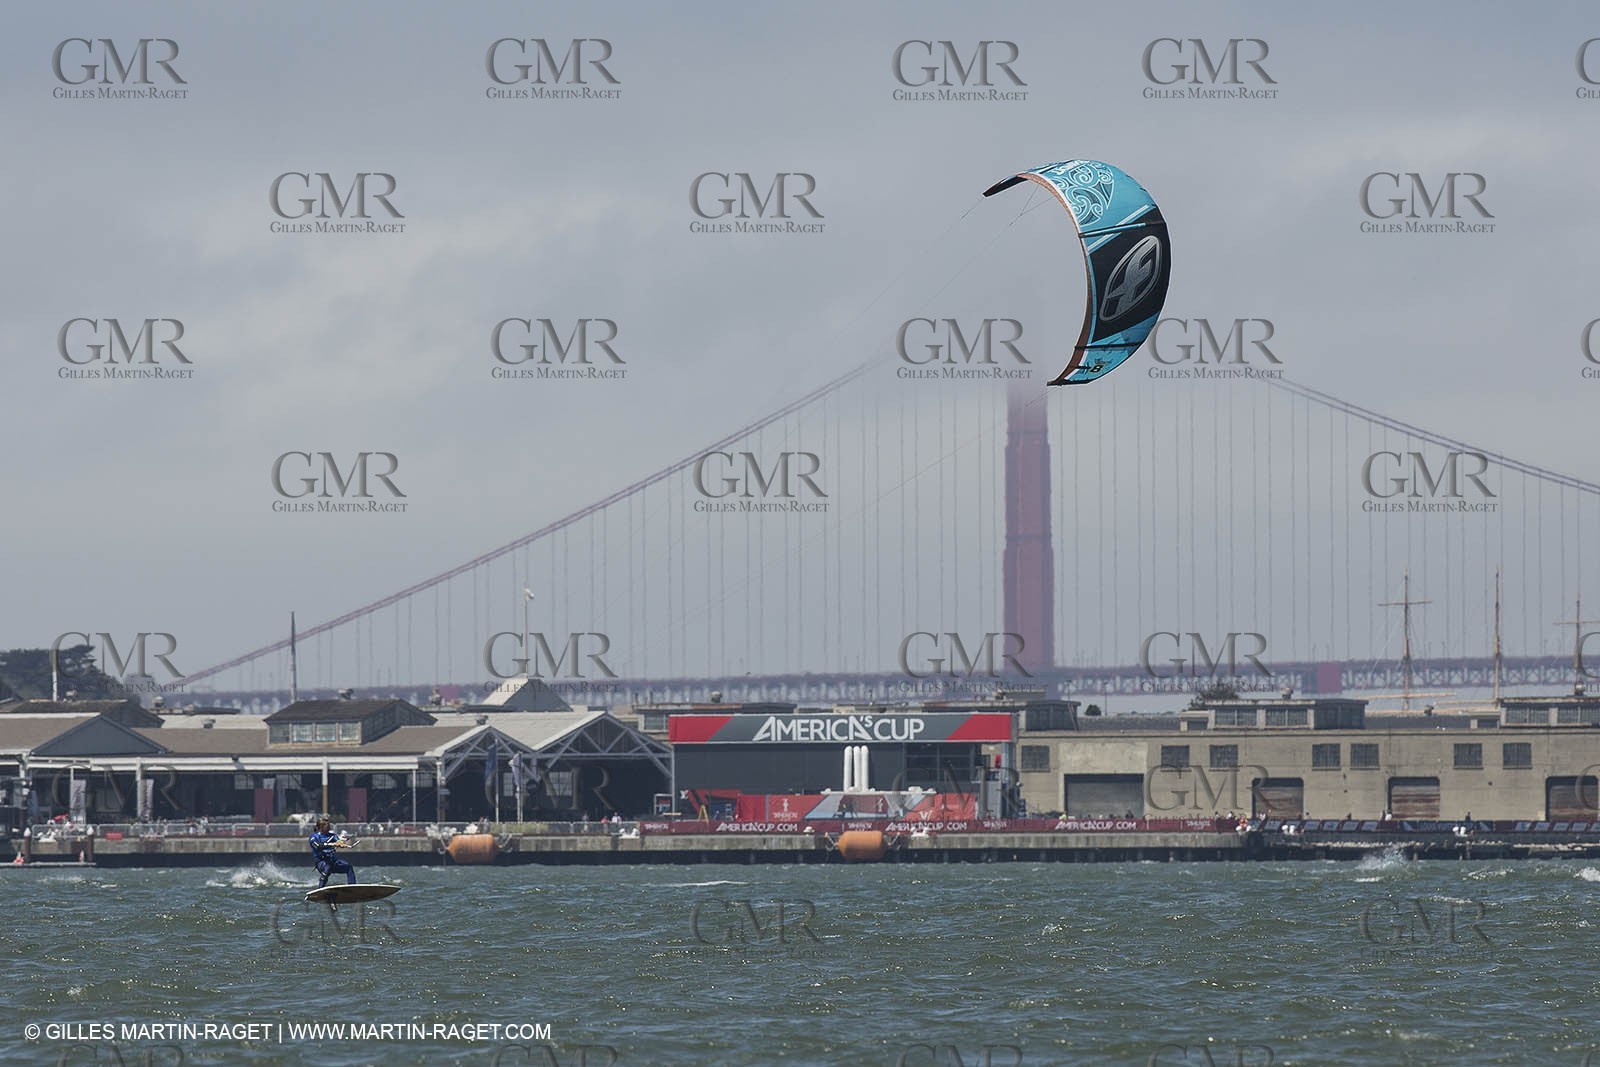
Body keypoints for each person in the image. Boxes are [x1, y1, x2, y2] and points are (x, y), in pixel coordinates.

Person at [308, 817, 357, 887]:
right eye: (327, 826)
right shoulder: (314, 837)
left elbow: (338, 841)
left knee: (348, 867)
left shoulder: (332, 836)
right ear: (321, 827)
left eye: (329, 826)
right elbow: (318, 846)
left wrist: (341, 844)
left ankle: (352, 886)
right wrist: (332, 844)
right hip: (321, 862)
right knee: (328, 867)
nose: (329, 828)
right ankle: (320, 888)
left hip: (333, 861)